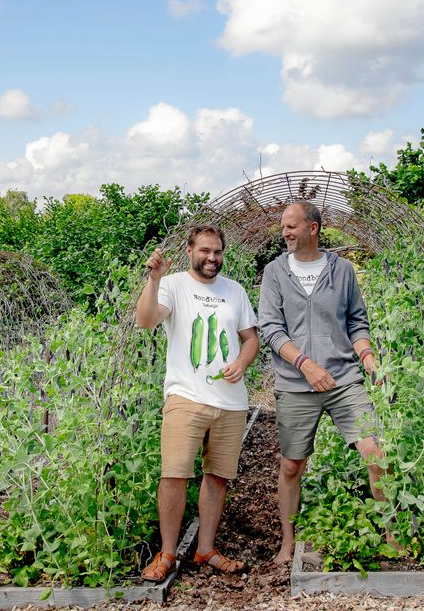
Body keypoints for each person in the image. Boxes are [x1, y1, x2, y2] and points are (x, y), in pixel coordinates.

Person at [257, 201, 387, 566]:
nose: (284, 232)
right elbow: (269, 327)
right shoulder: (275, 272)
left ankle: (392, 533)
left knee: (374, 452)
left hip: (343, 377)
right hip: (296, 383)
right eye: (283, 226)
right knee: (291, 466)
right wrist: (305, 364)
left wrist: (368, 359)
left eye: (291, 226)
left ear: (313, 228)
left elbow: (357, 323)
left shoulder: (342, 270)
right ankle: (288, 542)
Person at [135, 224, 260, 581]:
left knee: (217, 477)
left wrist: (241, 361)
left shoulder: (234, 291)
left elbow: (250, 339)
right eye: (205, 251)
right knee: (174, 474)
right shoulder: (173, 285)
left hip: (231, 402)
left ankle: (206, 549)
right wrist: (154, 279)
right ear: (190, 251)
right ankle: (168, 553)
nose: (212, 258)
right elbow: (145, 321)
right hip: (186, 397)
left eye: (217, 251)